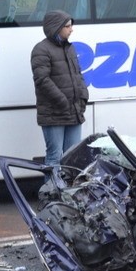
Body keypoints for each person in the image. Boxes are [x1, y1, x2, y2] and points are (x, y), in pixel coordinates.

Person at [30, 10, 89, 177]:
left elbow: (78, 75)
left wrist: (83, 97)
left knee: (74, 158)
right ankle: (52, 197)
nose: (72, 29)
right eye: (68, 26)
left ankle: (70, 198)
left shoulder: (70, 48)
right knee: (54, 157)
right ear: (56, 27)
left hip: (73, 111)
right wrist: (63, 101)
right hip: (54, 113)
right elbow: (42, 80)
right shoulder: (41, 49)